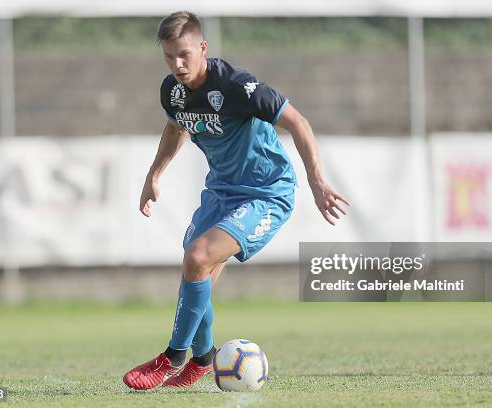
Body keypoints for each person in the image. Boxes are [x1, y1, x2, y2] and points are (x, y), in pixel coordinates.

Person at [123, 11, 349, 390]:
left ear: (203, 48)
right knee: (196, 270)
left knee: (196, 257)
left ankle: (173, 357)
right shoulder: (172, 91)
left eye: (184, 54)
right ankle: (202, 360)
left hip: (266, 193)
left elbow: (298, 122)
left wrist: (316, 181)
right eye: (168, 56)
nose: (177, 64)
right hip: (221, 191)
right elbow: (178, 124)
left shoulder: (237, 86)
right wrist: (154, 173)